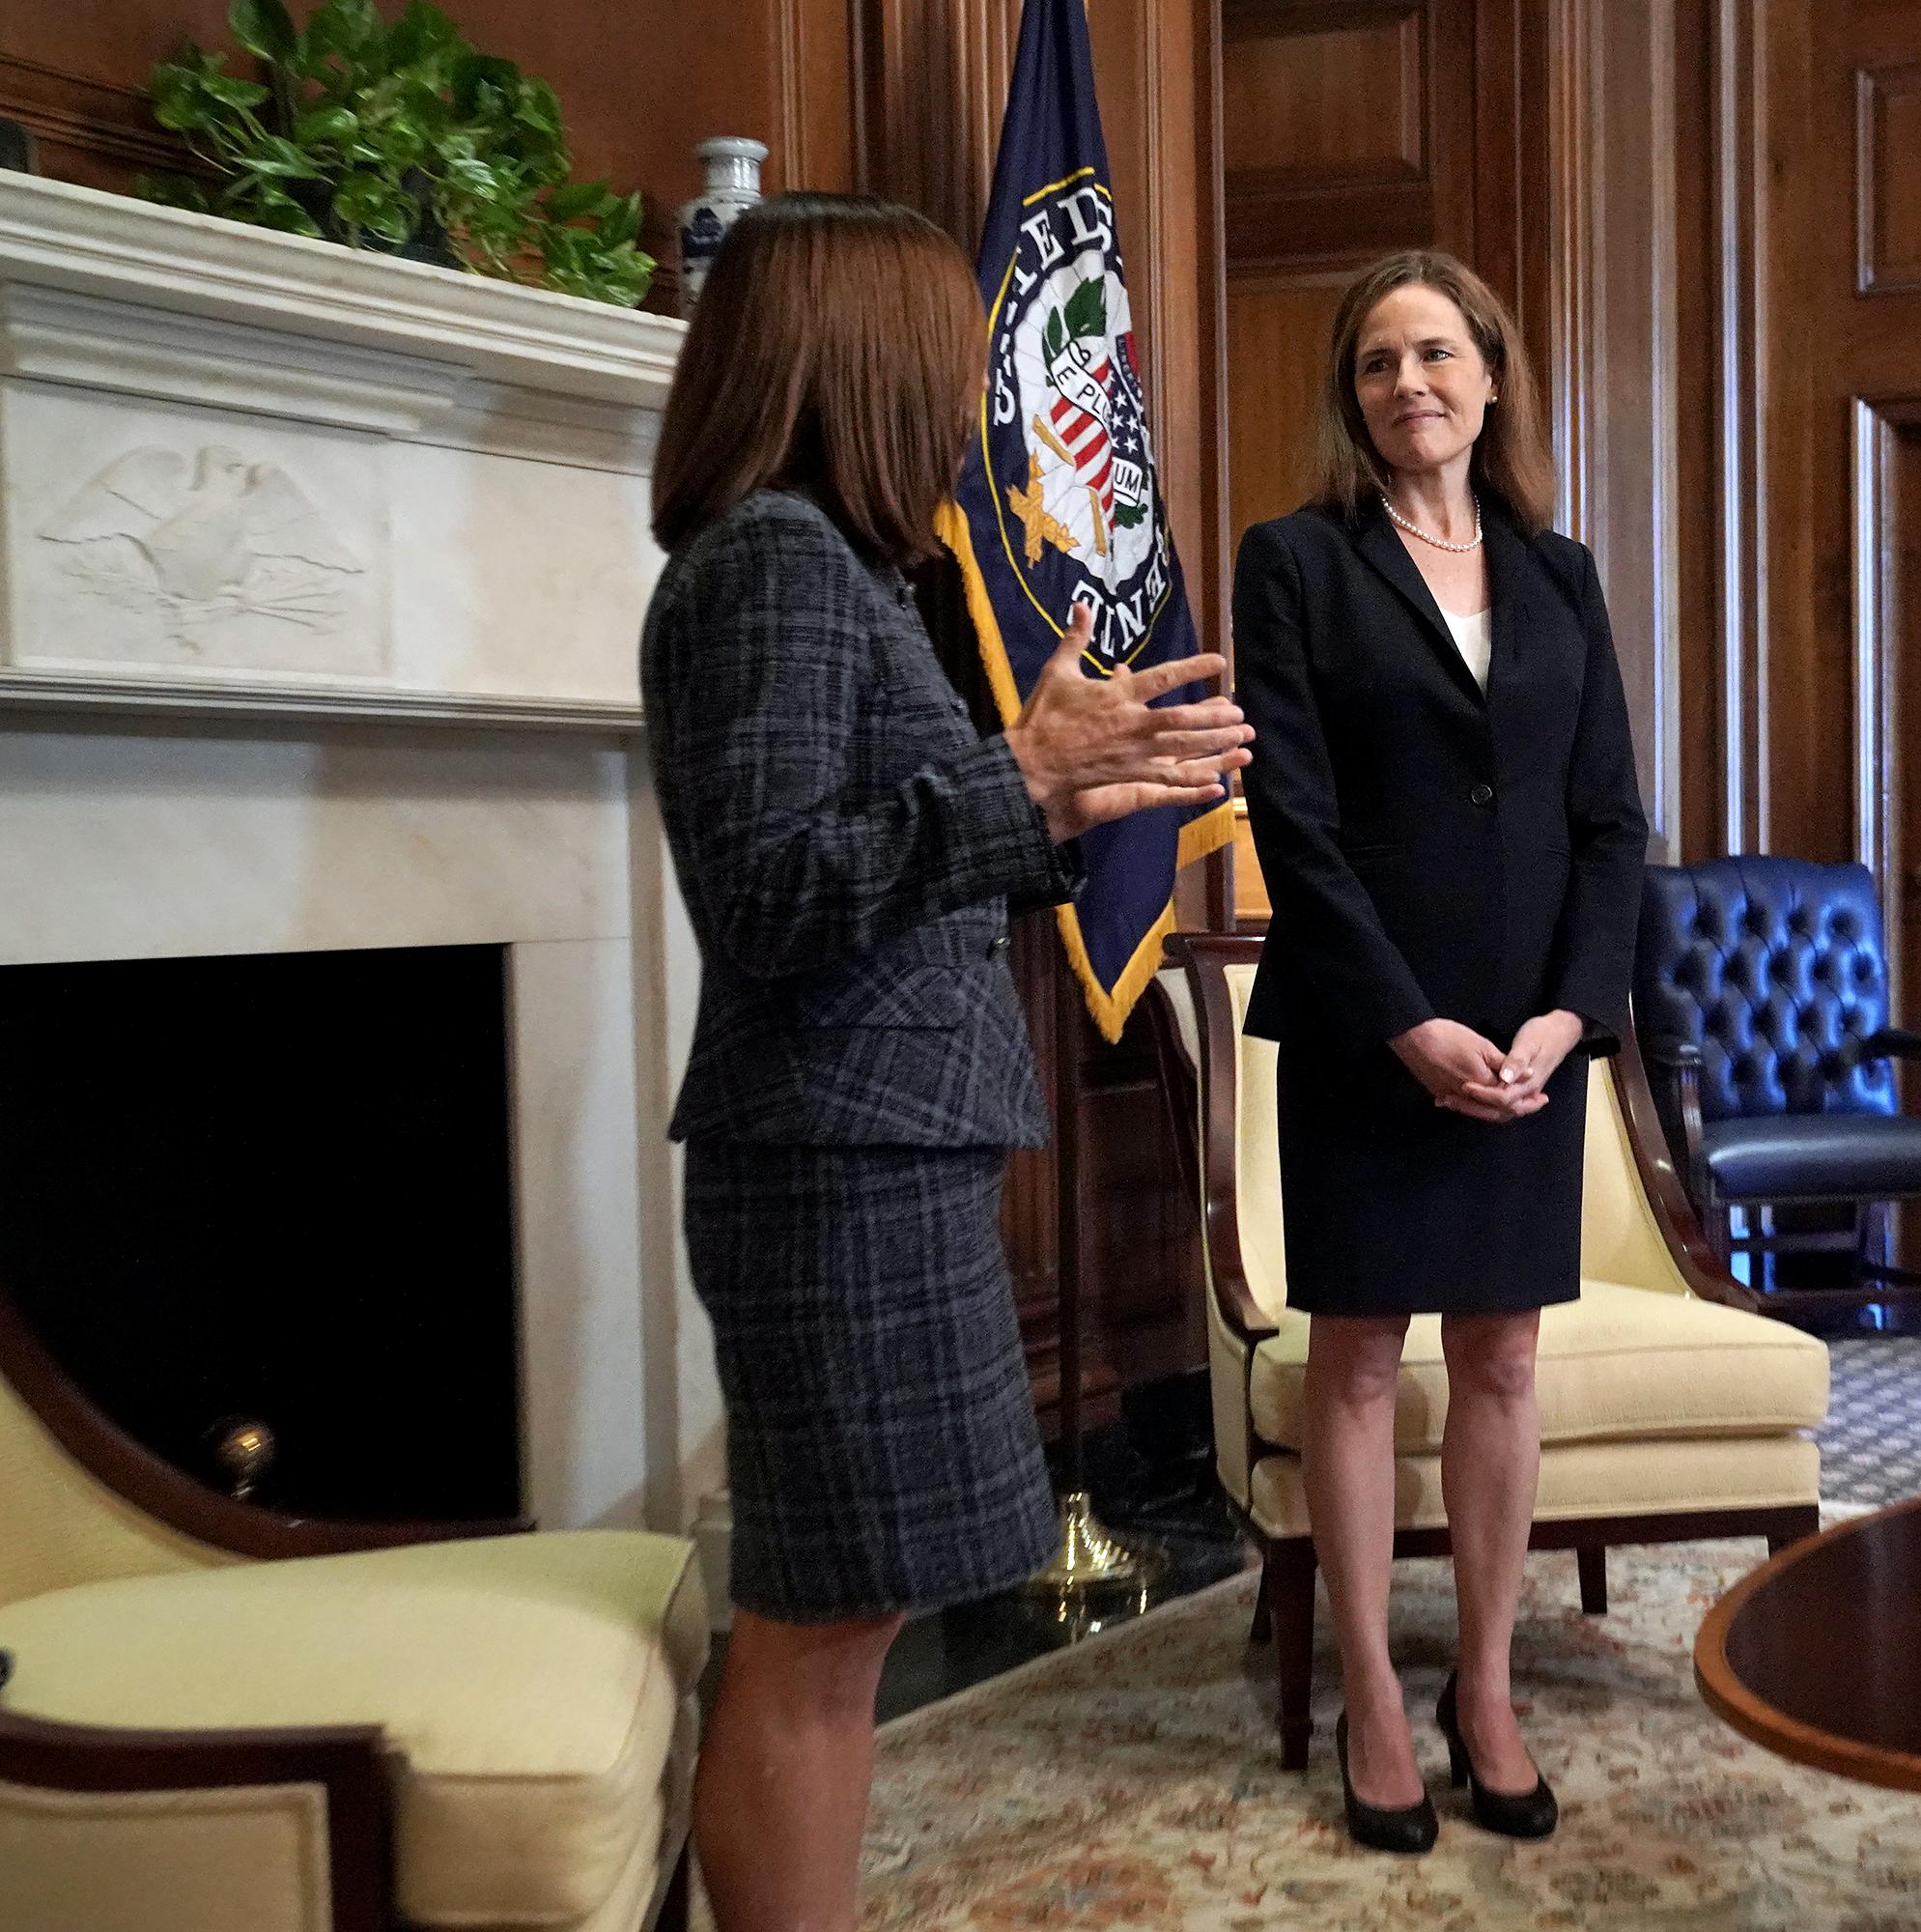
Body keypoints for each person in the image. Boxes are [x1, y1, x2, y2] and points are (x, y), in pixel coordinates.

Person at [640, 193, 1252, 1932]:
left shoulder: (834, 566)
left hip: (873, 1153)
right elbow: (769, 894)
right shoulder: (771, 564)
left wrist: (1064, 797)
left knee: (848, 1612)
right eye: (953, 344)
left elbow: (876, 843)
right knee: (823, 1622)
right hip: (834, 1167)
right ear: (857, 349)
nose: (979, 384)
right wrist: (1020, 784)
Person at [1229, 249, 1649, 1852]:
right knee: (1353, 1361)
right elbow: (1298, 826)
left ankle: (1484, 1683)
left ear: (1490, 374)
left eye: (1435, 355)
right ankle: (1375, 1699)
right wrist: (1408, 1024)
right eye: (1377, 365)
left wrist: (1561, 1020)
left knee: (1504, 1358)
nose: (1409, 385)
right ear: (1355, 398)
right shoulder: (1299, 563)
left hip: (1531, 1041)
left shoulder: (1562, 576)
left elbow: (1609, 823)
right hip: (1367, 1029)